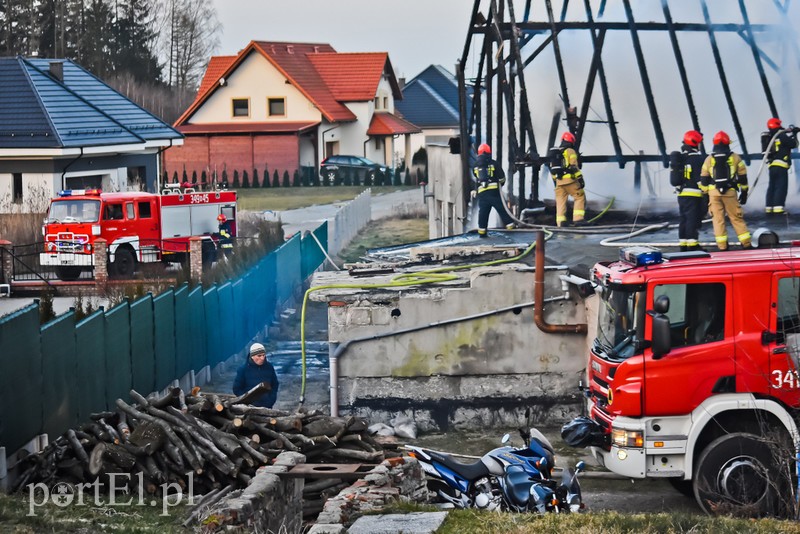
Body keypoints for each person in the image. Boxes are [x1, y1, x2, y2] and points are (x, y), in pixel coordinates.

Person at [700, 131, 751, 251]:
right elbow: (743, 177)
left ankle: (722, 246)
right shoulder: (735, 158)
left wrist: (705, 195)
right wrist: (744, 192)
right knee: (736, 217)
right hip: (730, 192)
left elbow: (703, 179)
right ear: (728, 143)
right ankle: (746, 243)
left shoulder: (709, 159)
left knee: (718, 220)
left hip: (714, 194)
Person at [669, 130, 707, 251]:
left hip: (682, 194)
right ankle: (693, 245)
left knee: (683, 219)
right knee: (692, 219)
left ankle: (683, 244)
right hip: (694, 194)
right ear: (695, 143)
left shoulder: (681, 158)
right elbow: (699, 178)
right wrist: (706, 192)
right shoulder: (698, 159)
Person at [472, 143, 515, 237]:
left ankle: (482, 234)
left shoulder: (475, 166)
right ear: (488, 153)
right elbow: (502, 178)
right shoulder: (494, 163)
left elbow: (476, 179)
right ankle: (512, 231)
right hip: (494, 193)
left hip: (482, 194)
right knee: (503, 211)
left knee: (483, 214)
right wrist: (500, 183)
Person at [548, 132, 587, 227]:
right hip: (570, 180)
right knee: (579, 196)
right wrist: (580, 178)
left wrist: (556, 181)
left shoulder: (556, 153)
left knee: (560, 201)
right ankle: (578, 219)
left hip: (559, 182)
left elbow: (552, 170)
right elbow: (574, 166)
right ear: (571, 141)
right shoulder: (570, 151)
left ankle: (560, 222)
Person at [761, 117, 799, 215]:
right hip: (781, 165)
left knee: (772, 187)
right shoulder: (781, 135)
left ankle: (769, 208)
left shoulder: (769, 136)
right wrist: (794, 134)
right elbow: (793, 144)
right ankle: (778, 209)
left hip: (772, 165)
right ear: (777, 124)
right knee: (781, 187)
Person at [233, 342, 279, 408]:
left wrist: (271, 400)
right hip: (249, 409)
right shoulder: (243, 370)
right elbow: (237, 389)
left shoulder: (269, 367)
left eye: (263, 355)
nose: (262, 358)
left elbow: (275, 384)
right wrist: (246, 401)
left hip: (267, 407)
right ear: (252, 356)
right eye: (259, 356)